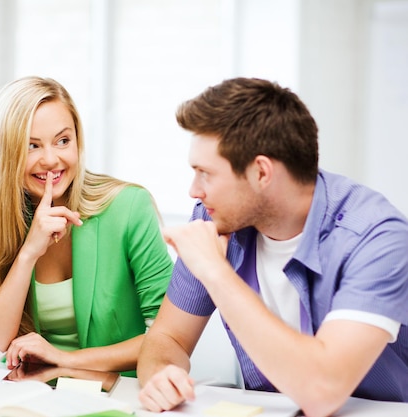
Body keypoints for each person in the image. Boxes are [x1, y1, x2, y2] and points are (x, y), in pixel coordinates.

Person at [137, 77, 408, 417]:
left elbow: (323, 393)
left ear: (261, 172)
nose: (194, 191)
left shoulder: (376, 238)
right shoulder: (213, 221)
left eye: (205, 173)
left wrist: (216, 273)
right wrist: (162, 375)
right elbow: (168, 338)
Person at [0, 76, 173, 375]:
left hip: (117, 391)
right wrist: (28, 255)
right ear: (7, 153)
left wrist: (64, 360)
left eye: (63, 141)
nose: (51, 159)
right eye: (32, 146)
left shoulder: (128, 207)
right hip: (35, 394)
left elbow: (168, 338)